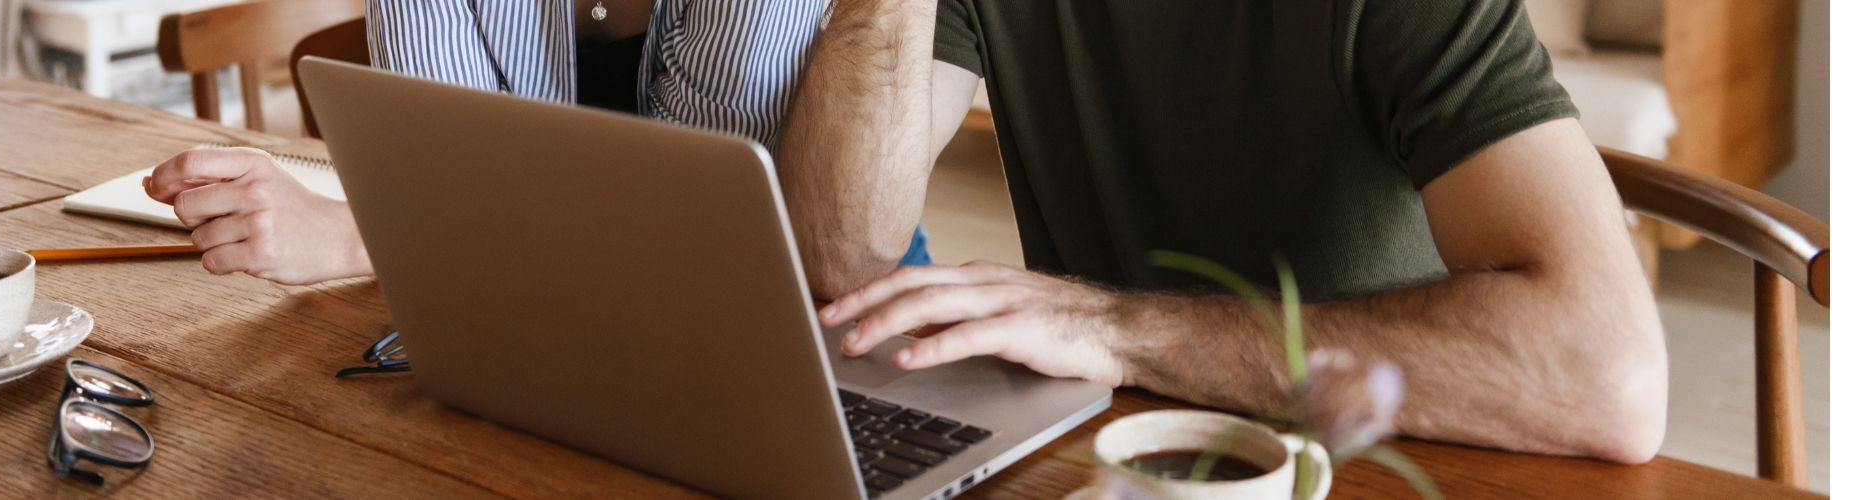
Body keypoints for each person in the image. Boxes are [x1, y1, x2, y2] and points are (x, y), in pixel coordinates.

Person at [786, 0, 1667, 463]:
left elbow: (1608, 372)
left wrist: (1119, 330)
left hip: (1372, 462)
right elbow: (840, 247)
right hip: (1131, 461)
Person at [142, 1, 933, 286]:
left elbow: (708, 238)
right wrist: (417, 219)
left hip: (821, 298)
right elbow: (446, 166)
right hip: (549, 306)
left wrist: (370, 236)